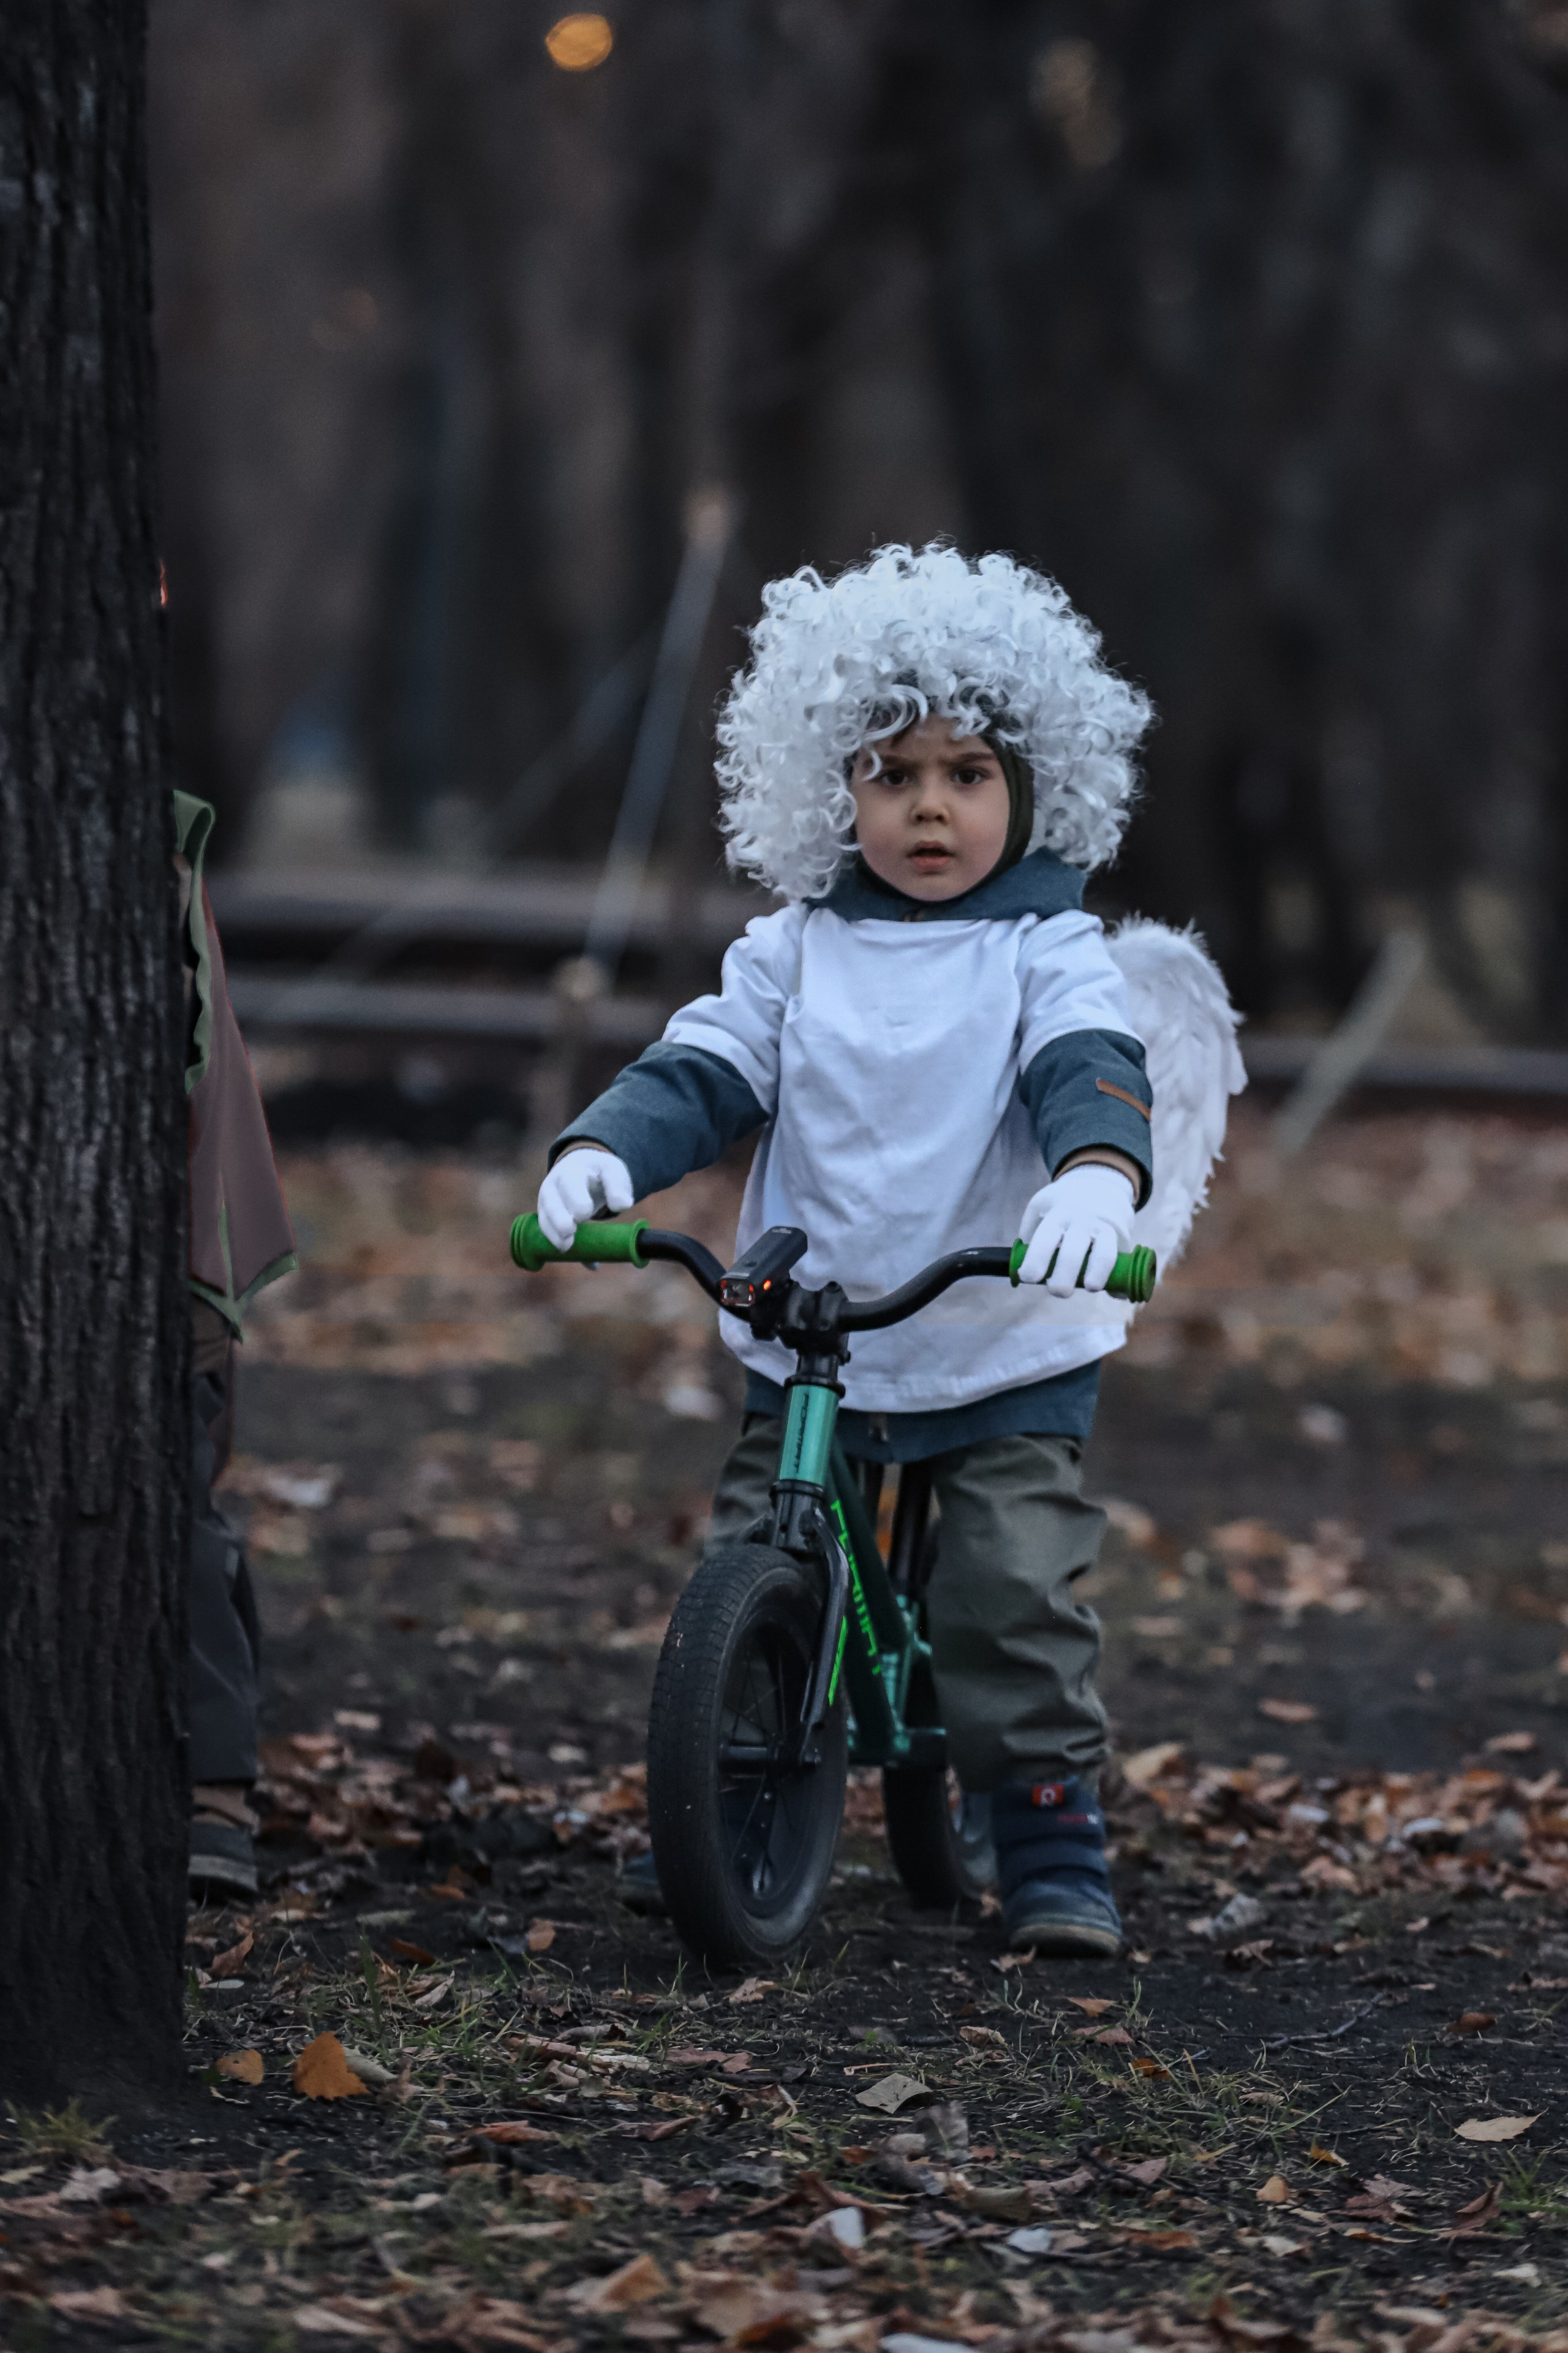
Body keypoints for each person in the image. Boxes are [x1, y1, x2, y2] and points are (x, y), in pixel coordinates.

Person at [537, 543, 1239, 1955]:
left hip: (993, 1325)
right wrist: (606, 1149)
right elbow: (711, 1060)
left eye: (967, 774)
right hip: (814, 1324)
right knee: (758, 1542)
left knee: (1005, 1587)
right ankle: (720, 1792)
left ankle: (1044, 1825)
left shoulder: (1043, 946)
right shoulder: (797, 947)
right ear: (831, 788)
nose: (929, 806)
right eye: (890, 772)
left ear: (1027, 787)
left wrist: (1098, 1177)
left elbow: (1086, 1066)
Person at [175, 791, 298, 1900]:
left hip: (163, 1283)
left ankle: (219, 1785)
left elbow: (205, 1094)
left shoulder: (157, 857)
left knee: (179, 1528)